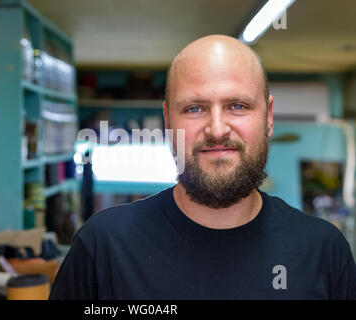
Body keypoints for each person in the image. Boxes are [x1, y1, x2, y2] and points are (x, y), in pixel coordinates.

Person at [49, 35, 356, 299]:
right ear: (169, 121)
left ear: (269, 116)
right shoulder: (103, 247)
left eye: (238, 106)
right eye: (195, 108)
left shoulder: (323, 252)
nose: (218, 129)